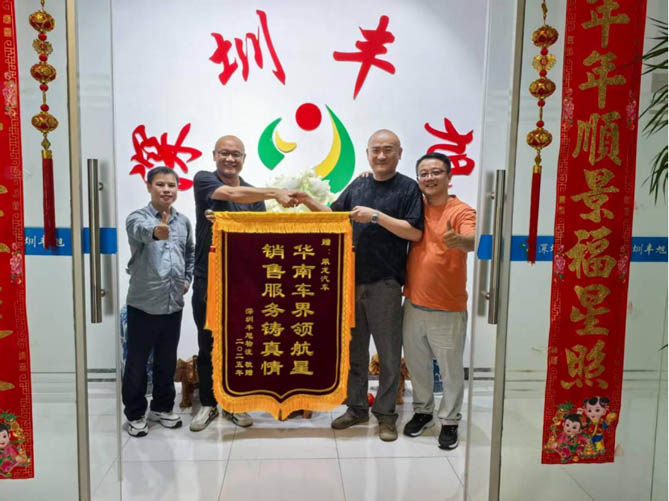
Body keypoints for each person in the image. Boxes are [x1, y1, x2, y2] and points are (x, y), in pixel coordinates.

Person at [298, 129, 424, 441]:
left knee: (389, 354)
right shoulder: (359, 183)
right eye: (375, 150)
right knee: (354, 350)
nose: (381, 155)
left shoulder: (408, 187)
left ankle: (386, 415)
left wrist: (376, 216)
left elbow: (414, 232)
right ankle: (356, 407)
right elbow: (334, 217)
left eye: (388, 149)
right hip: (350, 282)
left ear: (399, 153)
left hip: (385, 283)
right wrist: (307, 200)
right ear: (367, 153)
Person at [190, 135, 298, 432]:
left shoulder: (254, 196)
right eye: (224, 153)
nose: (230, 159)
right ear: (214, 155)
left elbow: (259, 240)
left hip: (241, 282)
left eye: (236, 154)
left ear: (244, 159)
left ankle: (234, 403)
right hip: (208, 278)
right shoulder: (204, 180)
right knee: (207, 342)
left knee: (239, 343)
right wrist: (277, 192)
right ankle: (209, 403)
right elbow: (231, 194)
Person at [401, 152, 476, 450]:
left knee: (450, 370)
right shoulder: (415, 207)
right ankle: (423, 412)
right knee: (417, 365)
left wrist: (461, 241)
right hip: (413, 304)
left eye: (436, 172)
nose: (429, 178)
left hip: (448, 308)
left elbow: (473, 238)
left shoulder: (461, 210)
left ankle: (450, 420)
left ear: (449, 176)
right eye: (424, 173)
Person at [123, 166, 194, 437]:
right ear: (148, 186)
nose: (166, 190)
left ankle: (162, 408)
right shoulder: (137, 218)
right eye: (160, 184)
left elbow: (189, 253)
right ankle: (135, 413)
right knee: (137, 363)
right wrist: (157, 231)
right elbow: (141, 231)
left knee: (167, 361)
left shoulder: (183, 221)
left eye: (171, 185)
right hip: (143, 304)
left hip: (172, 304)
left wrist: (186, 280)